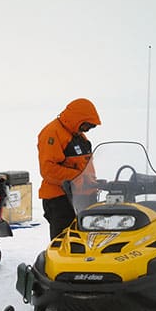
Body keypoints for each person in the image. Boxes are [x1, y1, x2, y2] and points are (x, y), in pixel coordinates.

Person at [38, 98, 101, 239]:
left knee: (87, 241)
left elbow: (83, 166)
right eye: (86, 126)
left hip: (81, 197)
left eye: (91, 127)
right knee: (63, 243)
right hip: (60, 199)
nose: (87, 130)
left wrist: (92, 182)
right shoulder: (52, 133)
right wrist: (80, 179)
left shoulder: (78, 136)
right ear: (77, 119)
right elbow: (48, 169)